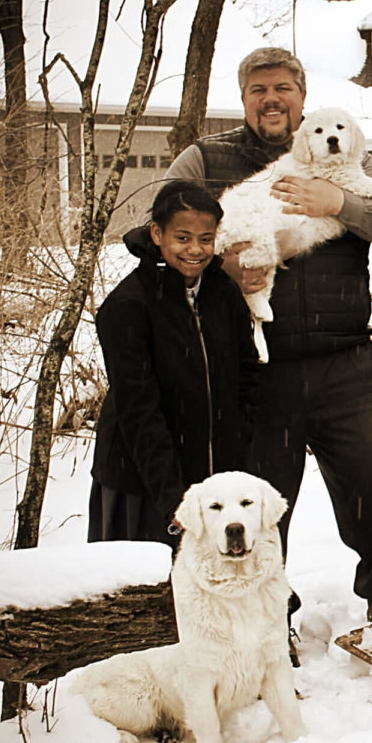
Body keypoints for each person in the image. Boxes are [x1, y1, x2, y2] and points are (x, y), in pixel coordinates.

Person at [146, 47, 372, 620]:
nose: (272, 99)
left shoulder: (342, 148)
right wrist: (217, 265)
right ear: (243, 98)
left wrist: (339, 201)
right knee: (260, 503)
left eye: (283, 89)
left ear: (302, 94)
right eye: (258, 90)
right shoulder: (207, 158)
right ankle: (268, 620)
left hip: (345, 358)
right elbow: (149, 232)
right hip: (256, 368)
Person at [91, 181, 258, 547]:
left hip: (214, 482)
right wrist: (174, 499)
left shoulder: (222, 292)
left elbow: (246, 375)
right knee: (146, 593)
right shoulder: (128, 307)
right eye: (182, 238)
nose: (195, 250)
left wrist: (238, 453)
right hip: (142, 482)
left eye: (206, 238)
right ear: (156, 233)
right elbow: (137, 410)